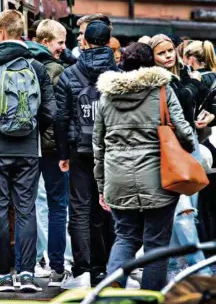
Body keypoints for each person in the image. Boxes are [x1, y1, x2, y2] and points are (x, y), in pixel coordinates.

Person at [93, 42, 195, 290]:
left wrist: (101, 185)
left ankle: (111, 286)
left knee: (125, 237)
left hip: (118, 179)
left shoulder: (107, 96)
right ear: (151, 63)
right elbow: (183, 131)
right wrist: (189, 145)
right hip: (158, 179)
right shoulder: (162, 91)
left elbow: (98, 145)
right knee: (156, 244)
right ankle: (150, 296)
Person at [0, 9, 56, 293]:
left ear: (3, 32)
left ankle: (4, 275)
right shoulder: (37, 67)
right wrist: (31, 131)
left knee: (0, 210)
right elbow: (50, 112)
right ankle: (28, 274)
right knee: (27, 209)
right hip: (29, 150)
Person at [55, 20, 119, 289]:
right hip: (111, 150)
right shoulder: (119, 75)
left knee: (79, 209)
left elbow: (61, 117)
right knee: (106, 208)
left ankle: (82, 269)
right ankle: (103, 268)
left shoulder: (69, 74)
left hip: (79, 150)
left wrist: (62, 153)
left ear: (84, 41)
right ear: (108, 41)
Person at [148, 35, 215, 279]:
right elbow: (184, 98)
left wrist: (210, 114)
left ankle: (178, 265)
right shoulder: (159, 79)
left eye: (169, 51)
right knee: (183, 213)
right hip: (171, 147)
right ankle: (200, 268)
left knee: (188, 212)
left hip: (189, 145)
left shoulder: (184, 73)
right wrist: (195, 84)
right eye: (161, 52)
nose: (167, 56)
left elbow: (203, 98)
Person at [24, 19, 70, 286]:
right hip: (51, 148)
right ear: (44, 42)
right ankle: (56, 266)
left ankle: (28, 266)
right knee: (57, 206)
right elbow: (59, 113)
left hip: (26, 146)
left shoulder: (20, 63)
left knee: (26, 205)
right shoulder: (55, 69)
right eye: (59, 42)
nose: (63, 47)